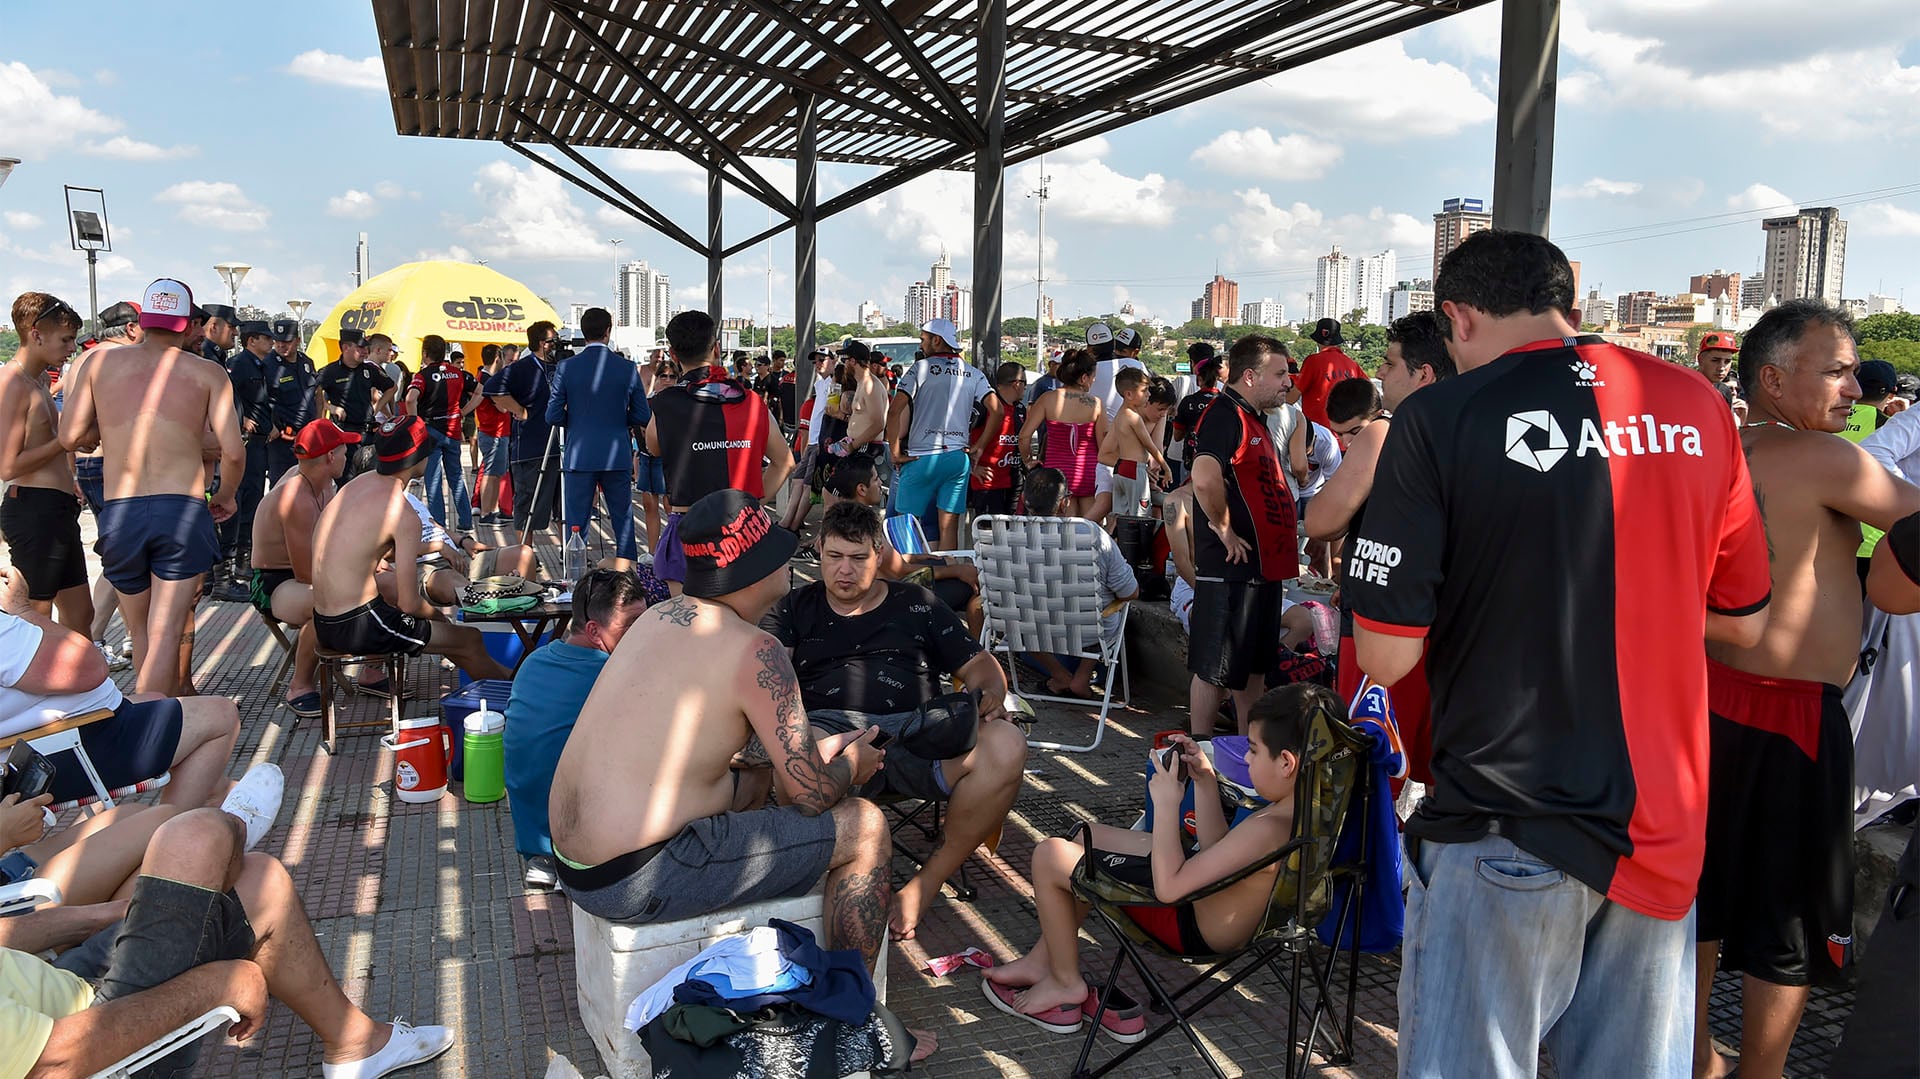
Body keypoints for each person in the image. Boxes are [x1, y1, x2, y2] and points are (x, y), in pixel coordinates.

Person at [1344, 229, 1772, 1079]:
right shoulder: (1695, 405)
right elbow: (1745, 619)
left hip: (1508, 812)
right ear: (1564, 300)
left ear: (1457, 318)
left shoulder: (1439, 418)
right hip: (1662, 820)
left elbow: (1385, 654)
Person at [1693, 300, 1920, 1079]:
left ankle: (1693, 1059)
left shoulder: (1708, 449)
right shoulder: (1829, 461)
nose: (1853, 387)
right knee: (1785, 925)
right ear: (1772, 378)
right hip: (1791, 719)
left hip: (1702, 706)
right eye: (1836, 370)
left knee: (1697, 906)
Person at [549, 491, 892, 964]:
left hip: (574, 865)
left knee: (756, 777)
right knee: (866, 827)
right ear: (756, 571)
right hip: (636, 877)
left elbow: (725, 744)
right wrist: (853, 763)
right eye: (778, 554)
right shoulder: (756, 650)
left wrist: (811, 748)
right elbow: (813, 796)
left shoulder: (656, 618)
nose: (788, 565)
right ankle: (855, 1013)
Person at [0, 804, 453, 1078]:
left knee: (256, 877)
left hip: (52, 984)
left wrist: (107, 913)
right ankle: (226, 845)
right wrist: (220, 985)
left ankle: (356, 1044)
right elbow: (51, 1064)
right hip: (90, 1046)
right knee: (200, 835)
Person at [761, 500, 1023, 939]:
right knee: (796, 761)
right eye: (834, 557)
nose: (844, 571)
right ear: (819, 551)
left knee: (1008, 745)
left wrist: (992, 694)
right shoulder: (794, 608)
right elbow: (770, 680)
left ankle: (926, 883)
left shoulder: (916, 603)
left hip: (917, 732)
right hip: (833, 733)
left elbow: (978, 663)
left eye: (858, 558)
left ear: (880, 553)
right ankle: (821, 880)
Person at [979, 685, 1309, 1031]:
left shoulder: (1267, 828)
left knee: (1050, 855)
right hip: (1210, 901)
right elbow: (1218, 853)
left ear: (1286, 762)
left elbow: (1169, 889)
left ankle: (1065, 982)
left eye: (1253, 751)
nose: (1245, 759)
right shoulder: (1292, 814)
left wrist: (1167, 802)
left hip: (1189, 923)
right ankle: (1040, 961)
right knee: (1087, 836)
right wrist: (1205, 782)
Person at [58, 279, 244, 696]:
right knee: (165, 634)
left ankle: (149, 720)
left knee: (140, 634)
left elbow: (69, 436)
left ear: (142, 321)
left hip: (121, 508)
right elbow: (233, 452)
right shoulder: (208, 372)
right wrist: (226, 495)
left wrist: (101, 432)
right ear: (185, 325)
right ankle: (150, 731)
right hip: (180, 507)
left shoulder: (98, 364)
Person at [1304, 311, 1455, 785]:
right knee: (1427, 765)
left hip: (1383, 619)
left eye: (1390, 363)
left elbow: (1321, 520)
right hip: (1452, 621)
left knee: (1372, 762)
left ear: (1423, 373)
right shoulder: (1471, 428)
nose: (1380, 373)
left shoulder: (1385, 431)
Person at [308, 417, 513, 683]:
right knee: (469, 638)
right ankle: (517, 701)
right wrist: (441, 619)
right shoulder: (401, 512)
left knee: (459, 641)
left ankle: (512, 687)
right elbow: (409, 603)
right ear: (420, 458)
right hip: (360, 624)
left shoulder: (356, 485)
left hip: (322, 621)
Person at [0, 607, 241, 811]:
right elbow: (91, 667)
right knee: (221, 715)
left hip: (51, 737)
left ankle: (213, 794)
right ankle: (170, 836)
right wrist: (22, 609)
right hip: (41, 760)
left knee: (154, 698)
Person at [504, 568, 650, 891]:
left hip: (532, 838)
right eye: (630, 626)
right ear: (595, 631)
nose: (642, 635)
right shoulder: (616, 677)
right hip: (583, 844)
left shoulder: (532, 662)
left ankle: (549, 859)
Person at [1186, 335, 1298, 737]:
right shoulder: (1224, 415)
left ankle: (1251, 750)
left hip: (1261, 569)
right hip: (1231, 566)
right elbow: (1203, 477)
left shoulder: (1256, 418)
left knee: (1253, 670)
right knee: (1214, 667)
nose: (1288, 382)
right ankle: (1199, 747)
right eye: (1280, 373)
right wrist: (1225, 528)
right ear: (1249, 376)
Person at [645, 311, 794, 591]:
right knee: (742, 626)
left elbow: (652, 447)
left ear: (673, 355)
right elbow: (785, 462)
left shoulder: (665, 403)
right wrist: (754, 504)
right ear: (716, 348)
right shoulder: (750, 401)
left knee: (689, 625)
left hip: (688, 530)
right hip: (743, 530)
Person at [250, 419, 359, 718]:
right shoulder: (295, 496)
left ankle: (373, 672)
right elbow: (305, 574)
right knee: (324, 603)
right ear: (329, 457)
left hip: (311, 571)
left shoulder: (326, 484)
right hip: (274, 581)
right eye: (343, 449)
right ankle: (299, 685)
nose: (348, 453)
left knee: (386, 586)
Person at [2, 293, 94, 638]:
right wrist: (66, 441)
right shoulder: (12, 383)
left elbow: (49, 441)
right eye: (65, 339)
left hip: (56, 506)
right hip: (32, 508)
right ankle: (27, 690)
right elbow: (7, 465)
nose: (72, 348)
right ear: (37, 333)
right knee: (34, 619)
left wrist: (70, 461)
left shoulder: (39, 380)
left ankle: (80, 690)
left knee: (81, 614)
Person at [1017, 467, 1139, 698]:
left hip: (1028, 631)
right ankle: (1081, 678)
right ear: (1064, 503)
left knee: (1021, 612)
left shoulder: (1006, 537)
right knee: (1110, 608)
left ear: (1024, 499)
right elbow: (1130, 592)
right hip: (1089, 632)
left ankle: (1060, 675)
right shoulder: (1092, 534)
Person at [546, 307, 650, 562]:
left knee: (576, 524)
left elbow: (552, 415)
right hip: (617, 454)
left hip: (579, 454)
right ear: (608, 331)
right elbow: (641, 415)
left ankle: (575, 579)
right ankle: (629, 576)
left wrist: (577, 422)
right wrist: (618, 421)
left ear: (583, 332)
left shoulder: (566, 367)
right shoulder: (627, 368)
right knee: (623, 521)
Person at [888, 317, 1000, 552]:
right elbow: (997, 411)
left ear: (936, 340)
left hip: (922, 456)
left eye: (923, 340)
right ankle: (949, 576)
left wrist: (896, 450)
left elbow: (895, 410)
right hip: (957, 458)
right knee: (948, 527)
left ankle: (910, 579)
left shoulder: (920, 368)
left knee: (906, 524)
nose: (921, 345)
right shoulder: (973, 373)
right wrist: (978, 446)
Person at [70, 302, 140, 670]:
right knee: (123, 558)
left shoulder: (84, 360)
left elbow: (68, 422)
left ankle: (129, 635)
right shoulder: (117, 361)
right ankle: (94, 637)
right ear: (130, 329)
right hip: (108, 465)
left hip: (87, 467)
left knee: (118, 554)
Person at [217, 320, 280, 599]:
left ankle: (244, 559)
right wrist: (241, 418)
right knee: (241, 500)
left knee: (253, 498)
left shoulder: (261, 365)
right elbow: (229, 397)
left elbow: (265, 401)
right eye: (266, 338)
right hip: (247, 443)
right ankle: (231, 566)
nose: (271, 342)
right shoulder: (241, 364)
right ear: (252, 340)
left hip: (263, 440)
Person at [485, 321, 566, 540]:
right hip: (531, 448)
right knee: (527, 506)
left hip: (563, 448)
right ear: (542, 343)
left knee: (565, 506)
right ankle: (525, 554)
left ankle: (567, 552)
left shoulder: (562, 366)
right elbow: (492, 388)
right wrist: (519, 410)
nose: (558, 344)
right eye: (554, 340)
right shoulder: (523, 367)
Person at [1017, 350, 1107, 521]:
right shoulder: (1095, 404)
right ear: (1084, 378)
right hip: (1089, 473)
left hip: (1058, 477)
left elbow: (1024, 436)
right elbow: (1103, 446)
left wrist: (1028, 460)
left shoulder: (1047, 399)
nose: (1094, 380)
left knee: (1062, 534)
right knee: (1088, 532)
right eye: (1093, 376)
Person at [405, 335, 476, 532]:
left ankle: (439, 526)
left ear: (425, 353)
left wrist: (414, 423)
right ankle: (466, 521)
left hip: (430, 431)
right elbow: (480, 390)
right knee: (456, 477)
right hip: (452, 430)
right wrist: (464, 411)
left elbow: (411, 399)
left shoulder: (422, 375)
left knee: (433, 481)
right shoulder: (458, 373)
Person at [317, 327, 397, 482]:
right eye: (360, 347)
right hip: (344, 435)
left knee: (372, 481)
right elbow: (314, 392)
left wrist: (377, 408)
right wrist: (329, 407)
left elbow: (391, 387)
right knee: (346, 482)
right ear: (346, 347)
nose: (365, 351)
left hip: (367, 435)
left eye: (366, 347)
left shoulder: (369, 370)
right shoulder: (330, 371)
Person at [1099, 369, 1173, 522]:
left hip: (1129, 471)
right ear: (1146, 402)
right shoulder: (1130, 416)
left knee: (1131, 516)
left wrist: (1150, 475)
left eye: (1166, 411)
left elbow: (1156, 449)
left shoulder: (1146, 415)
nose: (1163, 414)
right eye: (1160, 409)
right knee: (1134, 517)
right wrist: (1161, 469)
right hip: (1122, 469)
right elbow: (1103, 456)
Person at [265, 319, 322, 484]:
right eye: (278, 341)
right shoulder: (268, 365)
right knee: (282, 487)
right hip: (284, 442)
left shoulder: (306, 363)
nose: (281, 345)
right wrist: (271, 425)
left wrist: (318, 421)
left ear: (297, 340)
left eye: (287, 341)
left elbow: (318, 393)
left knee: (310, 484)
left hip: (309, 439)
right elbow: (260, 399)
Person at [968, 362, 1028, 516]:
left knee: (1012, 532)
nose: (1025, 388)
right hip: (988, 483)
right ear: (1016, 384)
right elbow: (960, 436)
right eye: (1024, 383)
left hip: (1014, 481)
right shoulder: (986, 406)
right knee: (989, 534)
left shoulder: (1020, 409)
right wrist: (971, 468)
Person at [1295, 318, 1367, 430]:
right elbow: (1370, 393)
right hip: (1345, 437)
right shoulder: (1352, 364)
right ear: (1338, 340)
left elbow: (1293, 396)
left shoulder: (1313, 361)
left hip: (1318, 436)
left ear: (1317, 340)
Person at [470, 344, 514, 524]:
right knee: (490, 473)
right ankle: (487, 512)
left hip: (496, 431)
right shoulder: (489, 380)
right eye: (506, 359)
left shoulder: (485, 377)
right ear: (498, 358)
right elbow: (502, 406)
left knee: (495, 472)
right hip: (493, 431)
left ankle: (492, 510)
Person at [1169, 345, 1220, 481]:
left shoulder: (1181, 383)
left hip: (1182, 456)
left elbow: (1177, 434)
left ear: (1192, 363)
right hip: (1215, 460)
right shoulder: (1224, 396)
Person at [1085, 323, 1146, 421]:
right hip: (1127, 429)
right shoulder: (1138, 366)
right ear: (1112, 344)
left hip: (1095, 429)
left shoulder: (1084, 370)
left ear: (1089, 349)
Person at [1696, 331, 1745, 424]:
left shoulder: (1725, 391)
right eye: (1715, 360)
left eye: (1727, 361)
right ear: (1700, 360)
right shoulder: (1684, 387)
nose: (1722, 367)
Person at [198, 303, 238, 368]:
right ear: (214, 328)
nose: (236, 333)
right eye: (231, 327)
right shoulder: (205, 357)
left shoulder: (212, 354)